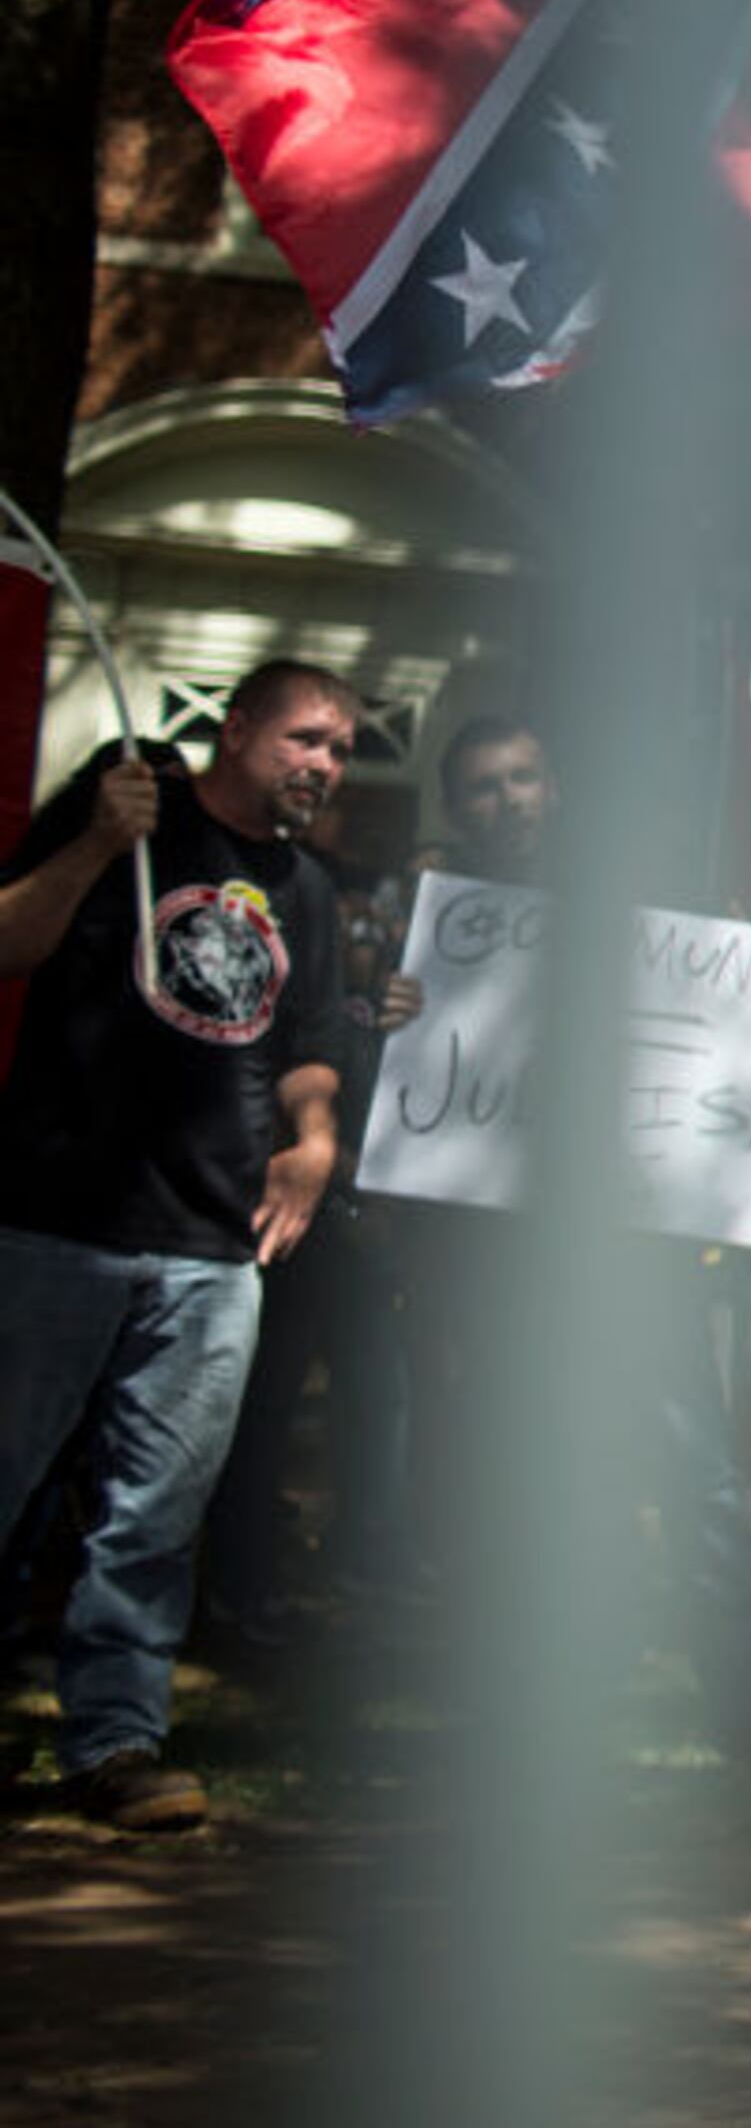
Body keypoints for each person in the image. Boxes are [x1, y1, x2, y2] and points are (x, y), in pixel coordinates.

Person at [0, 659, 355, 1829]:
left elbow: (303, 1041)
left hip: (214, 1251)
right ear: (236, 728)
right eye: (305, 736)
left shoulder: (305, 886)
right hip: (60, 1221)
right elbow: (11, 941)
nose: (322, 763)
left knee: (153, 1514)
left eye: (341, 748)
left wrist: (312, 1136)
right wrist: (101, 844)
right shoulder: (122, 807)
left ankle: (113, 1742)